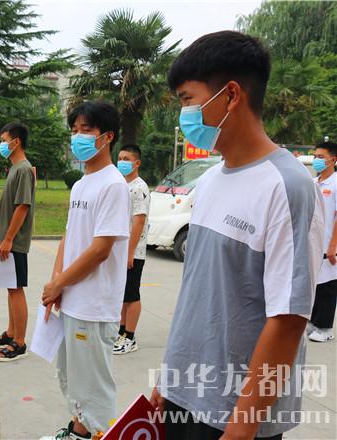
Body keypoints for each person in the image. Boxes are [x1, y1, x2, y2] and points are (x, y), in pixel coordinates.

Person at [149, 31, 324, 440]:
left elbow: (288, 319)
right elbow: (198, 294)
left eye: (188, 100)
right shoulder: (211, 180)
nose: (184, 114)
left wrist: (242, 428)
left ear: (230, 95)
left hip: (234, 416)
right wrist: (170, 377)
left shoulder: (288, 186)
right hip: (184, 394)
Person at [41, 101, 130, 440]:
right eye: (74, 130)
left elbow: (100, 250)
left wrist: (61, 283)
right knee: (74, 379)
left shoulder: (113, 185)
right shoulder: (82, 184)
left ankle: (97, 434)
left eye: (86, 130)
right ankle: (78, 433)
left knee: (94, 387)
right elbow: (69, 237)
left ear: (107, 137)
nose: (77, 136)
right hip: (73, 299)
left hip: (94, 305)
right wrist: (56, 284)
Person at [0, 122, 35, 362]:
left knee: (16, 289)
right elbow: (12, 205)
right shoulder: (14, 169)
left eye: (4, 140)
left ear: (16, 142)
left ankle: (19, 343)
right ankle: (11, 333)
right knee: (10, 287)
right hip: (7, 239)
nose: (2, 145)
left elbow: (23, 207)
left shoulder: (23, 169)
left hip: (14, 242)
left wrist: (8, 238)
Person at [114, 144, 150, 355]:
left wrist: (129, 252)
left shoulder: (139, 187)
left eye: (126, 159)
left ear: (137, 163)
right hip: (119, 250)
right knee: (122, 294)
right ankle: (121, 332)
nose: (122, 162)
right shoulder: (121, 185)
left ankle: (130, 337)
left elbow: (139, 221)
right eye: (120, 158)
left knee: (131, 294)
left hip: (133, 252)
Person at [307, 141, 337, 342]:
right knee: (315, 284)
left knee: (328, 285)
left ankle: (325, 329)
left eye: (321, 157)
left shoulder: (335, 183)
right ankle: (314, 322)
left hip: (330, 245)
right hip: (314, 242)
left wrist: (333, 246)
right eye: (315, 156)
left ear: (333, 160)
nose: (316, 160)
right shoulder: (313, 182)